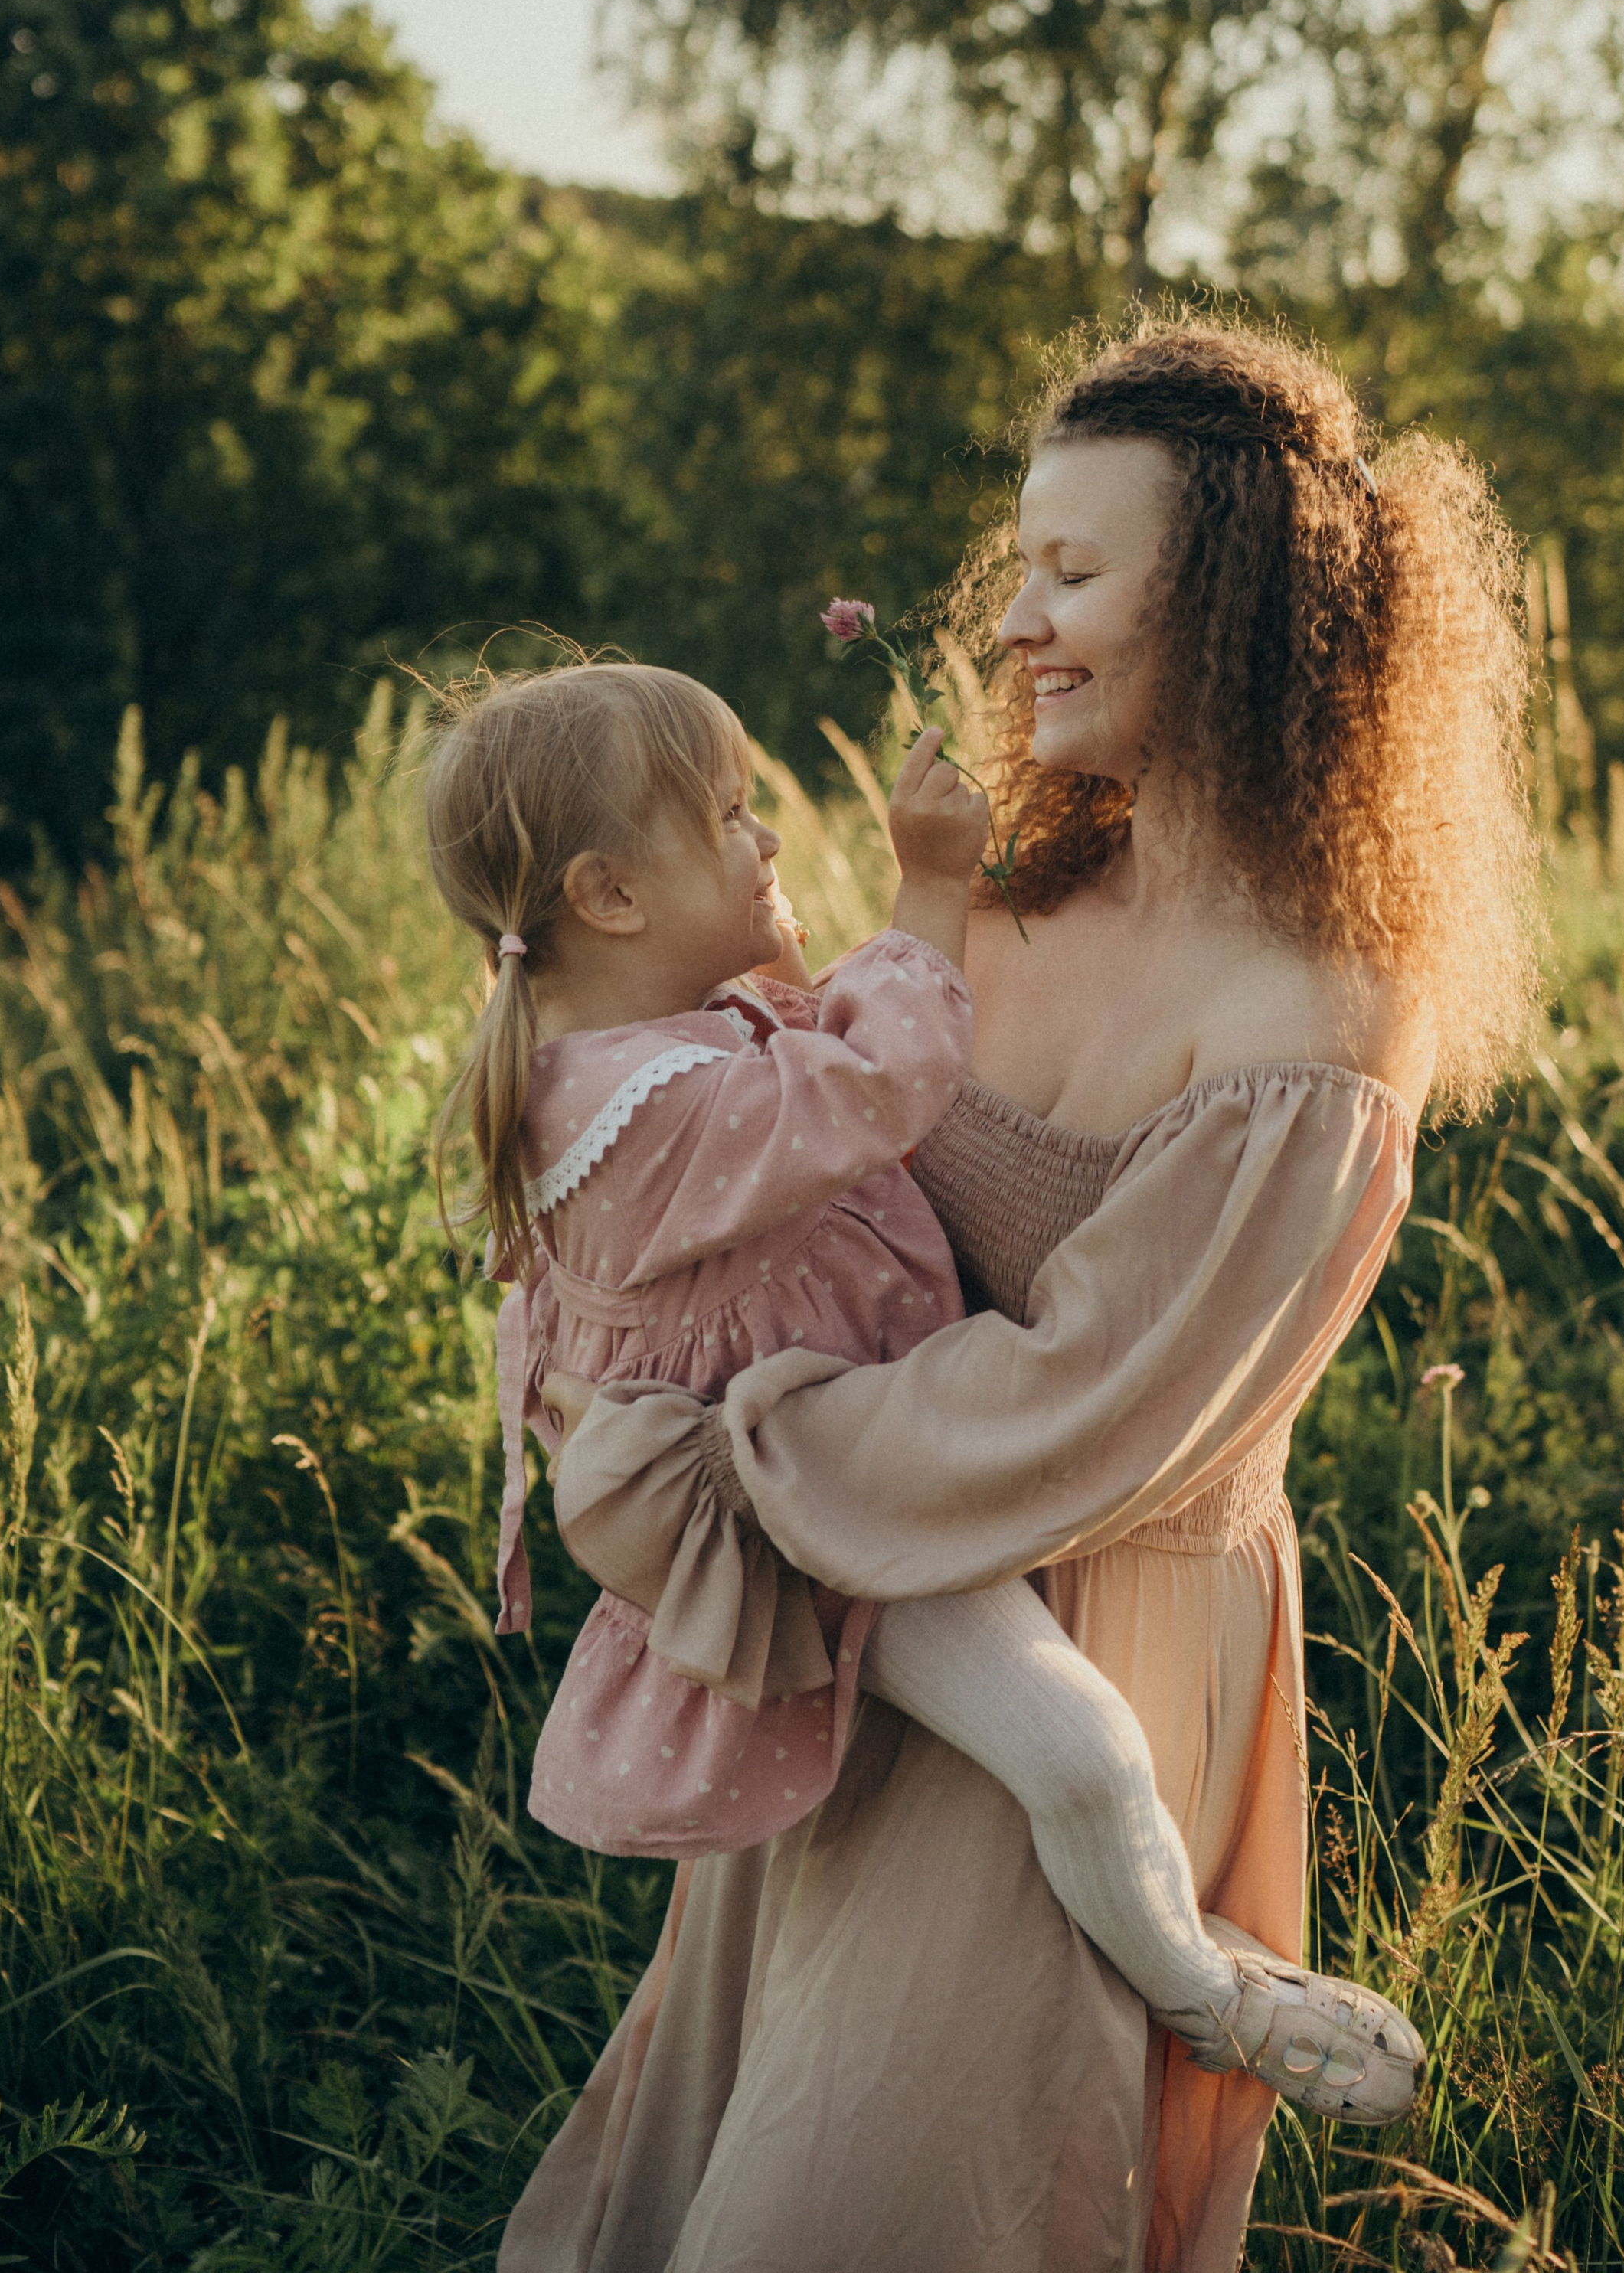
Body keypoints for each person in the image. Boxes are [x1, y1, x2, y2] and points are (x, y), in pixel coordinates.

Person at [505, 318, 1538, 2273]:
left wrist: (714, 1467)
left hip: (1081, 1645)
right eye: (1018, 572)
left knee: (881, 2201)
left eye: (1073, 575)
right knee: (752, 2158)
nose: (1014, 627)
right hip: (858, 1616)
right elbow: (732, 1179)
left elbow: (1084, 1406)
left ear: (1234, 606)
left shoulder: (1314, 1019)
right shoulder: (997, 901)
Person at [423, 658, 1421, 2119]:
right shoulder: (639, 1110)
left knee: (1059, 1760)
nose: (766, 843)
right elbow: (877, 1081)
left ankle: (1181, 1957)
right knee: (1080, 1755)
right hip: (807, 1491)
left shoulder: (636, 1057)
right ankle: (1210, 1996)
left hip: (839, 1459)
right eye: (729, 818)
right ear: (612, 898)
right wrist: (930, 889)